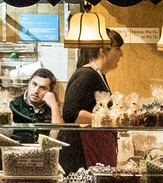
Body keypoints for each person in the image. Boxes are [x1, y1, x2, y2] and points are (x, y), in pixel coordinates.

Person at [59, 29, 125, 174]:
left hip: (89, 149)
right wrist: (110, 120)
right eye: (117, 49)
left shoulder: (98, 75)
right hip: (79, 153)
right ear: (103, 51)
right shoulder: (86, 75)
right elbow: (70, 115)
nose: (121, 54)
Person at [8, 69, 60, 144]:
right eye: (34, 84)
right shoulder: (13, 105)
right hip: (18, 151)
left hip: (44, 153)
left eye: (43, 88)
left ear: (50, 92)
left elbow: (56, 139)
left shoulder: (52, 109)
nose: (36, 91)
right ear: (28, 83)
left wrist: (54, 107)